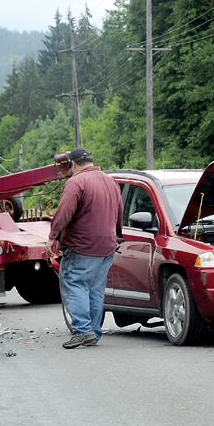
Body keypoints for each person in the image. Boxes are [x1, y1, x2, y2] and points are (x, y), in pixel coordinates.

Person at [47, 148, 123, 349]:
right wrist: (118, 235)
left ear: (72, 164)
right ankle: (93, 332)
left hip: (81, 246)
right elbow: (119, 211)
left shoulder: (76, 182)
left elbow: (64, 212)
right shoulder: (110, 181)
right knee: (95, 290)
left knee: (75, 283)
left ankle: (82, 331)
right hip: (107, 247)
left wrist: (52, 236)